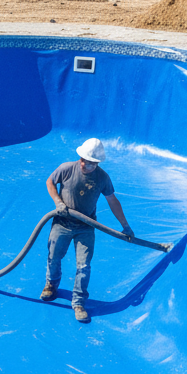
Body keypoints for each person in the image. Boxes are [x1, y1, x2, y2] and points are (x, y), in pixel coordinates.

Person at [43, 138, 133, 323]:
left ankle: (78, 302)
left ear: (97, 163)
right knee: (54, 257)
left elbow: (113, 201)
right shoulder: (67, 168)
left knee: (83, 267)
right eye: (83, 160)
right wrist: (58, 202)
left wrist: (125, 226)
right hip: (62, 223)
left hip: (86, 227)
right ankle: (51, 285)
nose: (85, 164)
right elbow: (50, 182)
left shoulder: (102, 178)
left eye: (90, 163)